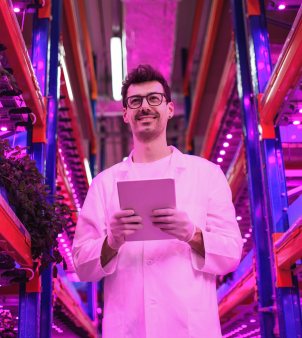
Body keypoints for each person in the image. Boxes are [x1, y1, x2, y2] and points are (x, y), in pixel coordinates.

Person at [72, 64, 243, 338]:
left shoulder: (206, 174)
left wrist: (192, 234)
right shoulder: (104, 184)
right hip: (128, 330)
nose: (145, 107)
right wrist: (111, 242)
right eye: (135, 101)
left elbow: (232, 253)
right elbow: (81, 264)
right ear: (125, 114)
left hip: (190, 330)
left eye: (154, 99)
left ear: (170, 109)